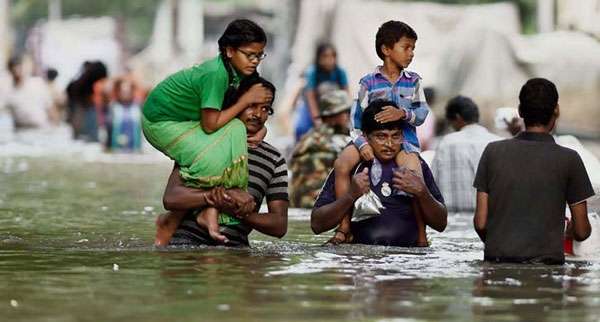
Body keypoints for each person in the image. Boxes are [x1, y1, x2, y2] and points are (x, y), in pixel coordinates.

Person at [143, 19, 273, 245]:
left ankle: (206, 210)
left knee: (234, 131)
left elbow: (245, 105)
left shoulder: (237, 72)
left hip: (184, 121)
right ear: (230, 51)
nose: (254, 61)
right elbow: (211, 125)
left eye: (259, 55)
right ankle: (182, 217)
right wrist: (245, 101)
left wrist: (262, 127)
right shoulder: (216, 73)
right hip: (161, 122)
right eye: (249, 54)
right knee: (232, 131)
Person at [329, 20, 430, 246]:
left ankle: (422, 235)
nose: (411, 53)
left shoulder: (413, 82)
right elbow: (356, 120)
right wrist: (363, 144)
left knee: (415, 176)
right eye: (406, 47)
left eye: (413, 48)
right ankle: (344, 227)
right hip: (371, 142)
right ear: (386, 50)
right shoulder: (368, 83)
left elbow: (422, 113)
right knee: (342, 164)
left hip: (404, 142)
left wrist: (402, 113)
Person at [473, 78, 594, 264]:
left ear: (520, 111)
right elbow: (582, 231)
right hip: (547, 269)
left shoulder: (492, 152)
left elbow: (480, 223)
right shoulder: (570, 159)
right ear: (557, 110)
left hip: (496, 264)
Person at [165, 76, 289, 247]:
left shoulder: (273, 159)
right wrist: (219, 197)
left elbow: (280, 225)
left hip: (235, 251)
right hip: (186, 245)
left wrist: (242, 213)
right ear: (235, 103)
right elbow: (171, 198)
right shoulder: (203, 142)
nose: (258, 115)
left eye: (265, 109)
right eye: (251, 105)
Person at [311, 100, 447, 247]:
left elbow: (441, 224)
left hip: (407, 262)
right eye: (381, 136)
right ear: (365, 136)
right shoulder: (351, 166)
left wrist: (422, 192)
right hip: (361, 263)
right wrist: (350, 195)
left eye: (395, 136)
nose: (389, 144)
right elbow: (317, 225)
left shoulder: (414, 165)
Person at [431, 96, 502, 213]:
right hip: (488, 221)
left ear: (457, 118)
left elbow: (433, 184)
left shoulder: (446, 143)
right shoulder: (498, 142)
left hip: (451, 223)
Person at [289, 90, 352, 208]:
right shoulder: (340, 141)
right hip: (322, 206)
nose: (349, 116)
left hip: (297, 204)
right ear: (332, 116)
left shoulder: (307, 138)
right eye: (346, 112)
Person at [295, 42, 350, 141]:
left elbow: (347, 95)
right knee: (301, 129)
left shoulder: (340, 72)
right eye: (325, 57)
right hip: (312, 107)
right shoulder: (312, 72)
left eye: (332, 56)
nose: (329, 60)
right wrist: (318, 121)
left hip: (332, 108)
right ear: (318, 58)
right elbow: (311, 99)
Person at [5, 56, 59, 130]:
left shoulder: (37, 83)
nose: (17, 70)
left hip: (41, 129)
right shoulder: (9, 93)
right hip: (22, 131)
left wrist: (55, 127)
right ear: (10, 70)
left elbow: (50, 107)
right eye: (14, 67)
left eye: (18, 66)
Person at [105, 77, 142, 152]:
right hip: (116, 148)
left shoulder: (138, 106)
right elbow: (108, 127)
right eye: (123, 92)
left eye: (127, 92)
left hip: (135, 148)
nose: (125, 94)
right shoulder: (113, 106)